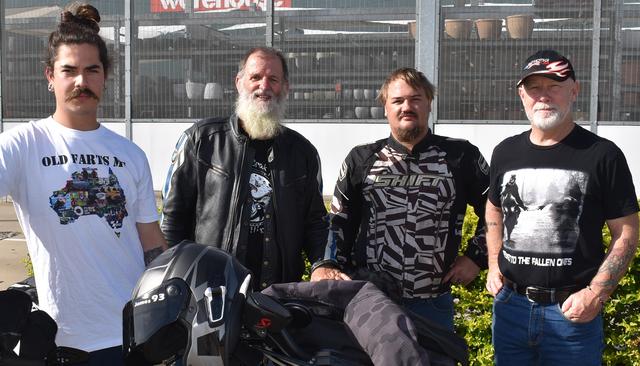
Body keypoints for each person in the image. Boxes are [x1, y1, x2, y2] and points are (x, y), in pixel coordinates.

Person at [0, 3, 167, 363]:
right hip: (59, 338)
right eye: (69, 70)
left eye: (92, 70)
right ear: (50, 76)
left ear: (105, 76)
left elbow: (150, 241)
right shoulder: (23, 144)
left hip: (131, 335)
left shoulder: (130, 154)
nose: (81, 81)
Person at [485, 49, 640, 365]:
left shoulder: (602, 155)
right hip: (510, 310)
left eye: (554, 85)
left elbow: (626, 231)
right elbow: (493, 209)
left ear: (574, 90)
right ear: (521, 95)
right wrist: (492, 263)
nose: (543, 96)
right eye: (534, 88)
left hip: (572, 315)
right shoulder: (505, 152)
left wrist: (595, 294)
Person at [311, 68, 490, 332]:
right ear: (385, 108)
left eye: (416, 99)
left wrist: (476, 256)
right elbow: (338, 220)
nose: (407, 107)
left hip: (433, 304)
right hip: (372, 301)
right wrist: (326, 263)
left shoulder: (461, 156)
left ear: (429, 103)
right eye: (397, 101)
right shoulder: (361, 159)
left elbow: (497, 209)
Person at [161, 47, 329, 291]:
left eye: (273, 79)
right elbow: (172, 219)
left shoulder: (303, 152)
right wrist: (174, 281)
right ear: (239, 83)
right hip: (211, 291)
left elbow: (315, 223)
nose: (264, 86)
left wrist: (322, 264)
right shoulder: (201, 140)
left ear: (285, 87)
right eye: (255, 77)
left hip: (279, 294)